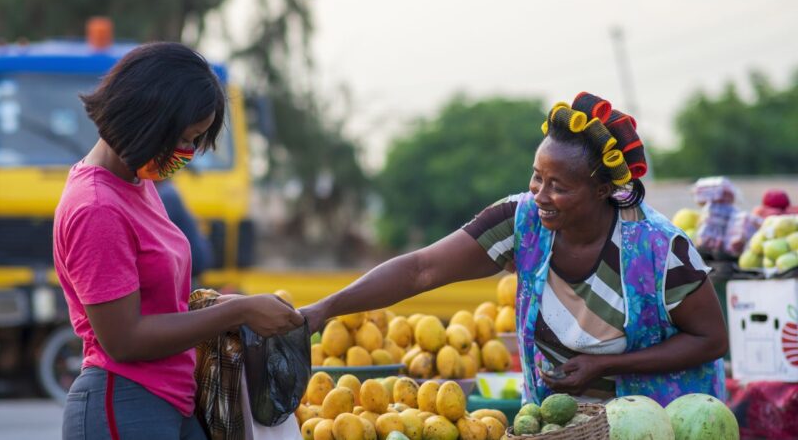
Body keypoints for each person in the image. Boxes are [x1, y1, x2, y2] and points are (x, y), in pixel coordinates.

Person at [301, 93, 728, 406]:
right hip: (562, 425)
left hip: (658, 423)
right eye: (537, 177)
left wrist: (606, 366)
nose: (541, 194)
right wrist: (323, 310)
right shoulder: (522, 222)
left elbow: (711, 339)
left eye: (558, 186)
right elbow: (421, 270)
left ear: (602, 189)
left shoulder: (658, 248)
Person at [53, 42, 304, 439]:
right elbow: (124, 340)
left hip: (171, 398)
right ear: (146, 118)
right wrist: (237, 314)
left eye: (197, 140)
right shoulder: (97, 207)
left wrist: (222, 304)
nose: (187, 153)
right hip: (125, 404)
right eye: (185, 138)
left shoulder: (136, 182)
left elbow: (158, 301)